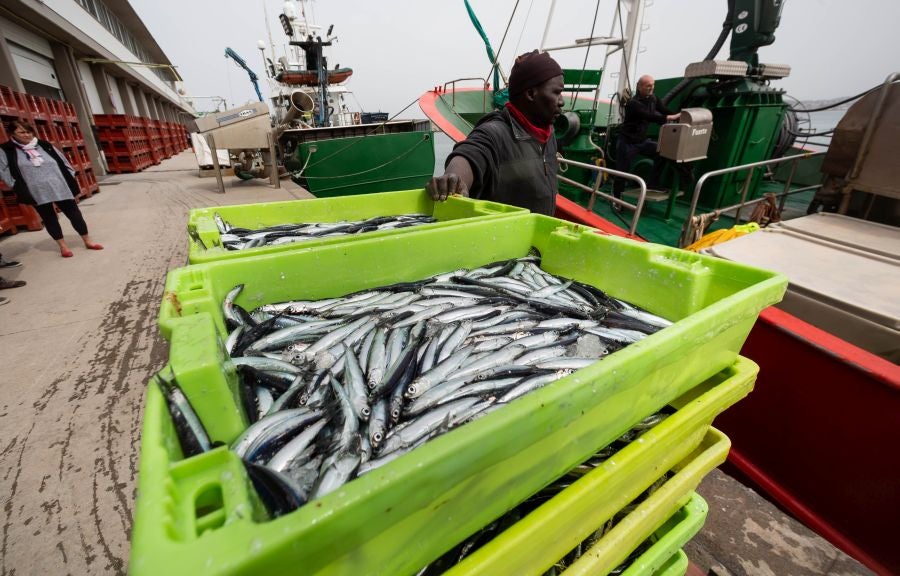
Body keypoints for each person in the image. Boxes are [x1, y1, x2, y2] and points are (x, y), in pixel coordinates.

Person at [427, 50, 564, 215]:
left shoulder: (547, 134)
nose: (562, 101)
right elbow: (470, 153)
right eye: (556, 92)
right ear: (530, 94)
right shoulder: (494, 133)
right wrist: (454, 179)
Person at [0, 119, 102, 258]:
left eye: (29, 131)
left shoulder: (44, 145)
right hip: (37, 191)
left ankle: (87, 240)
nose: (26, 135)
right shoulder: (7, 150)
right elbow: (4, 171)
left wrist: (70, 176)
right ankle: (63, 246)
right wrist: (16, 186)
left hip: (60, 186)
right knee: (49, 218)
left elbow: (64, 162)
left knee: (75, 214)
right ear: (12, 133)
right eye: (22, 132)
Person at [612, 74, 680, 202]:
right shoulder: (633, 103)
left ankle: (653, 184)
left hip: (642, 141)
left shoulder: (653, 98)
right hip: (627, 142)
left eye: (653, 85)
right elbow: (648, 116)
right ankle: (616, 199)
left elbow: (663, 109)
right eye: (648, 85)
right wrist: (669, 118)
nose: (651, 88)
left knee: (663, 152)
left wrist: (678, 115)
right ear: (639, 87)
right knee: (622, 172)